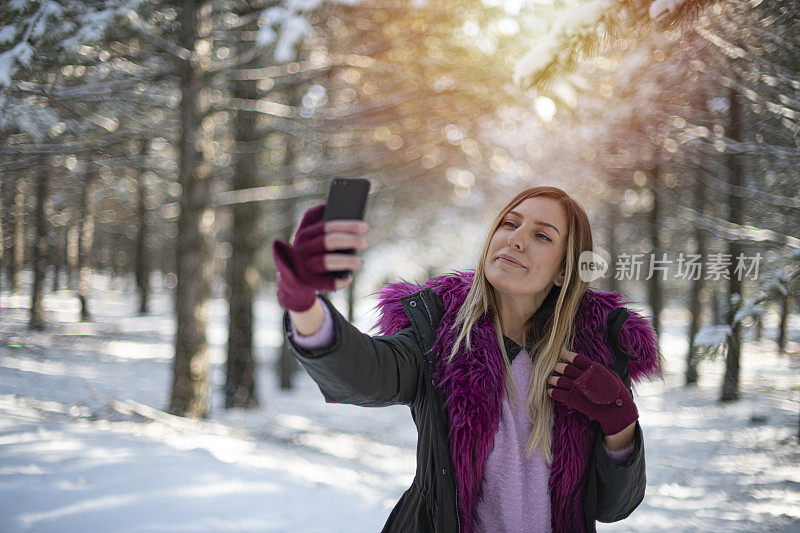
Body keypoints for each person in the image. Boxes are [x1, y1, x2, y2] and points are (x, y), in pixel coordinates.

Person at [272, 186, 664, 533]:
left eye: (542, 235)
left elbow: (614, 507)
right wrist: (305, 304)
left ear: (563, 271)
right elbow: (368, 373)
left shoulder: (593, 354)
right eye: (510, 224)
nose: (516, 240)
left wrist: (620, 421)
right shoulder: (439, 330)